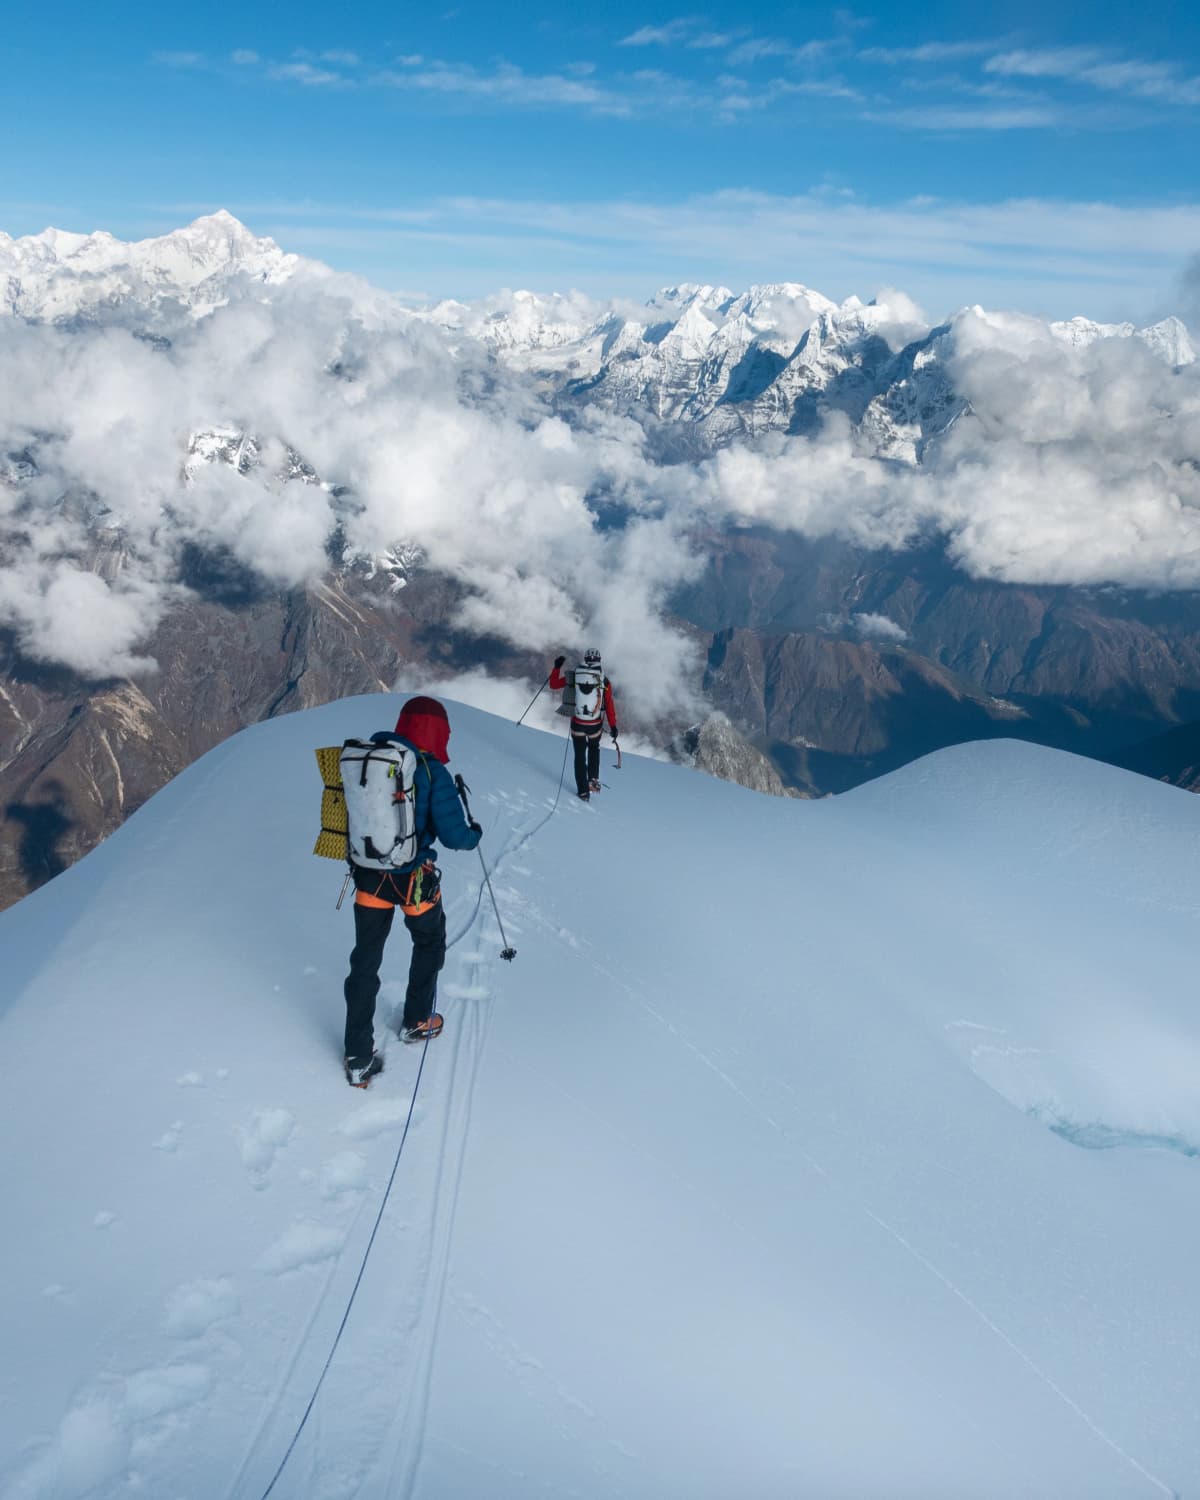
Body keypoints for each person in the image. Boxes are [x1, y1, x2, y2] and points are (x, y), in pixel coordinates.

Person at [342, 696, 482, 1086]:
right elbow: (457, 837)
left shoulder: (370, 757)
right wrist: (475, 833)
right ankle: (417, 1020)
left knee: (365, 961)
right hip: (412, 879)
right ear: (439, 732)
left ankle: (357, 1056)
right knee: (430, 942)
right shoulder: (430, 770)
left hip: (369, 875)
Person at [549, 648, 619, 801]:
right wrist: (613, 726)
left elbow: (553, 685)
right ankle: (593, 779)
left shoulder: (575, 676)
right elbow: (609, 706)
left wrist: (557, 667)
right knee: (594, 749)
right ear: (599, 661)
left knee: (579, 757)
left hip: (577, 724)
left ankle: (582, 792)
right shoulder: (604, 681)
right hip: (595, 725)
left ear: (585, 660)